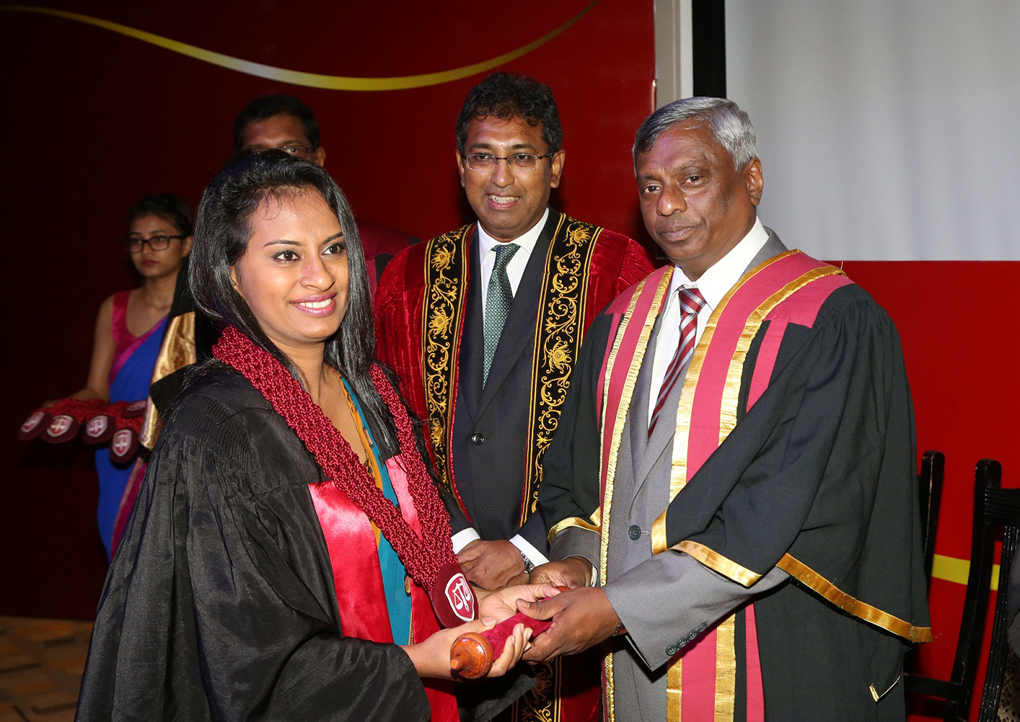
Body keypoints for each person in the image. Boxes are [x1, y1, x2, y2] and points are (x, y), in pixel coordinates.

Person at [75, 153, 549, 721]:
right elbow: (242, 658)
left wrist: (479, 609)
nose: (320, 276)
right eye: (285, 256)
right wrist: (414, 660)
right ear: (230, 272)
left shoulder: (372, 391)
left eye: (332, 248)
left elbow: (404, 556)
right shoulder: (220, 431)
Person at [520, 98, 932, 720]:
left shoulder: (831, 321)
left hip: (772, 656)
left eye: (693, 178)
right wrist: (581, 561)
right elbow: (578, 476)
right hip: (632, 670)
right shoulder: (624, 318)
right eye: (651, 186)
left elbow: (786, 510)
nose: (666, 205)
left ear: (753, 178)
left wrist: (622, 608)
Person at [374, 72, 654, 722]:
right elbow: (392, 428)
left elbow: (627, 438)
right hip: (440, 569)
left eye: (520, 156)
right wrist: (458, 541)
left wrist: (526, 548)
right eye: (483, 156)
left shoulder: (615, 271)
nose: (500, 177)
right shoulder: (411, 278)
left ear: (555, 166)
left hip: (562, 577)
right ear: (459, 165)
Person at [60, 194, 192, 559]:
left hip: (174, 453)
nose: (146, 249)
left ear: (187, 245)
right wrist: (67, 408)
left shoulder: (201, 313)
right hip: (118, 451)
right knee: (120, 557)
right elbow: (96, 387)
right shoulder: (114, 307)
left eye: (159, 238)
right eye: (136, 240)